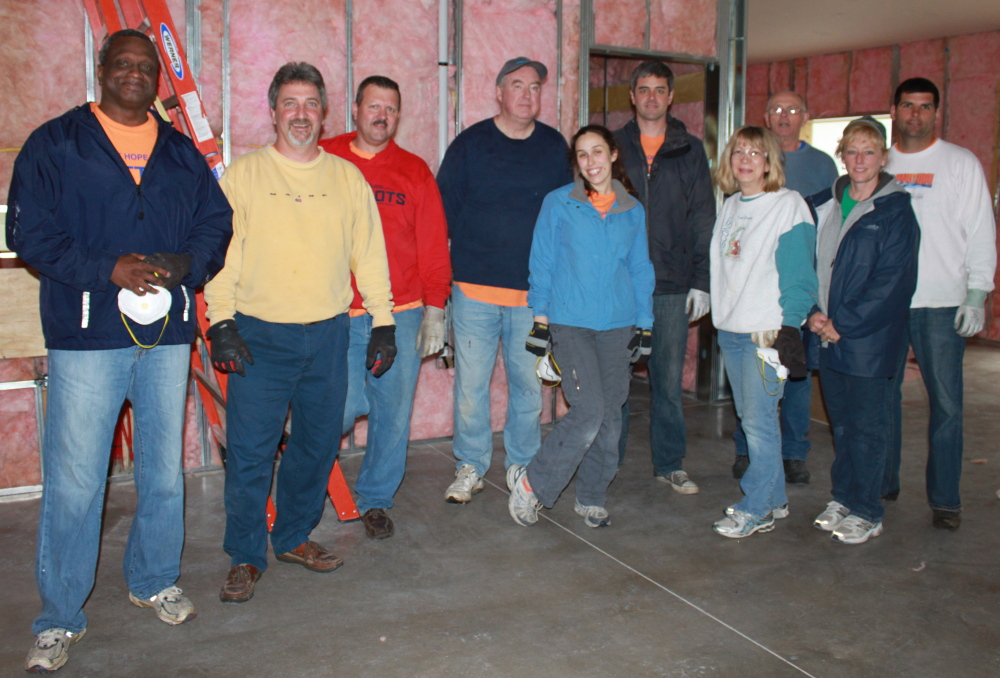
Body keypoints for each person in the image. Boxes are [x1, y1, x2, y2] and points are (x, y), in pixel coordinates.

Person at [7, 29, 233, 672]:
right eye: (123, 63)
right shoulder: (57, 143)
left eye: (146, 66)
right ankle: (58, 618)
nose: (134, 74)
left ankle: (155, 580)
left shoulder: (179, 152)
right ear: (101, 69)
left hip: (164, 339)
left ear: (157, 79)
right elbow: (28, 230)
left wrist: (186, 262)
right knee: (77, 482)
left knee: (165, 472)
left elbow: (217, 221)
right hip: (86, 338)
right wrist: (106, 268)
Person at [204, 62, 396, 603]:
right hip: (259, 336)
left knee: (315, 446)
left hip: (329, 335)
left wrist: (383, 321)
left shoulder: (345, 178)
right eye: (290, 103)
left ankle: (292, 537)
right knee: (249, 451)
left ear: (324, 112)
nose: (301, 114)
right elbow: (222, 257)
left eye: (311, 103)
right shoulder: (243, 176)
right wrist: (221, 321)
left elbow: (370, 255)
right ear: (272, 112)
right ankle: (244, 555)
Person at [320, 76, 451, 540]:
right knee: (337, 406)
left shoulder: (414, 171)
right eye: (373, 106)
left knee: (392, 413)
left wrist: (436, 309)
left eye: (391, 109)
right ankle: (311, 481)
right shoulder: (324, 156)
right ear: (355, 109)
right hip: (337, 313)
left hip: (402, 313)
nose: (382, 115)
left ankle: (375, 498)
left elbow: (434, 246)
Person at [436, 57, 572, 503]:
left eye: (535, 87)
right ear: (499, 92)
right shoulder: (470, 145)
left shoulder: (555, 148)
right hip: (474, 292)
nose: (527, 95)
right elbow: (444, 216)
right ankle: (471, 466)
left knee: (528, 388)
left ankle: (523, 468)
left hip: (533, 297)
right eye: (518, 86)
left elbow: (567, 219)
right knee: (471, 390)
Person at [508, 125, 655, 528]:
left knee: (610, 416)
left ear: (612, 156)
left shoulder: (632, 210)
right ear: (577, 162)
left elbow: (640, 269)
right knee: (588, 410)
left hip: (618, 325)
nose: (590, 162)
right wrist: (541, 320)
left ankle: (591, 495)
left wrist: (645, 324)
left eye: (597, 152)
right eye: (582, 155)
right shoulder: (559, 203)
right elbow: (543, 262)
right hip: (571, 323)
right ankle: (531, 486)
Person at [884, 77, 996, 530]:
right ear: (894, 110)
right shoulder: (878, 159)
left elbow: (982, 230)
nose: (915, 114)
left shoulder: (960, 163)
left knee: (947, 405)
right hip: (888, 303)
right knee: (882, 398)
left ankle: (946, 498)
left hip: (942, 302)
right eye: (908, 105)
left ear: (936, 112)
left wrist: (977, 293)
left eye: (924, 107)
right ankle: (881, 482)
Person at [807, 117, 919, 544]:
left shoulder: (896, 211)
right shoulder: (826, 203)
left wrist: (844, 324)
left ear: (884, 157)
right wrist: (815, 313)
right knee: (843, 424)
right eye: (852, 150)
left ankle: (868, 509)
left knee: (869, 426)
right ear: (841, 154)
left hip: (870, 339)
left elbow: (892, 283)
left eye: (869, 151)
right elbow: (812, 264)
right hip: (827, 334)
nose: (860, 159)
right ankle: (844, 497)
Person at [709, 126, 817, 538]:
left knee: (758, 424)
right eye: (739, 151)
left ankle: (756, 508)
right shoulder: (732, 204)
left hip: (765, 333)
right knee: (755, 420)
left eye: (757, 152)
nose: (746, 159)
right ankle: (774, 498)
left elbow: (799, 275)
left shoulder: (787, 205)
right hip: (733, 331)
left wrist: (789, 328)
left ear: (770, 162)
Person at [613, 61, 715, 494]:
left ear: (671, 96)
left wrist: (702, 280)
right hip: (618, 285)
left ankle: (670, 462)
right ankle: (606, 463)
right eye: (644, 89)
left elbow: (703, 217)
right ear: (632, 96)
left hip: (672, 285)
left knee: (667, 381)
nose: (652, 97)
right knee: (614, 380)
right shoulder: (612, 145)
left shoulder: (689, 149)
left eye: (660, 90)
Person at [732, 91, 839, 485]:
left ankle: (793, 453)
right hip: (754, 296)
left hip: (795, 294)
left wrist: (813, 295)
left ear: (805, 116)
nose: (783, 116)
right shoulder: (746, 169)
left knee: (794, 374)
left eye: (792, 109)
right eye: (776, 109)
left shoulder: (822, 166)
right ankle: (747, 449)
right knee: (750, 382)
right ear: (765, 115)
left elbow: (827, 231)